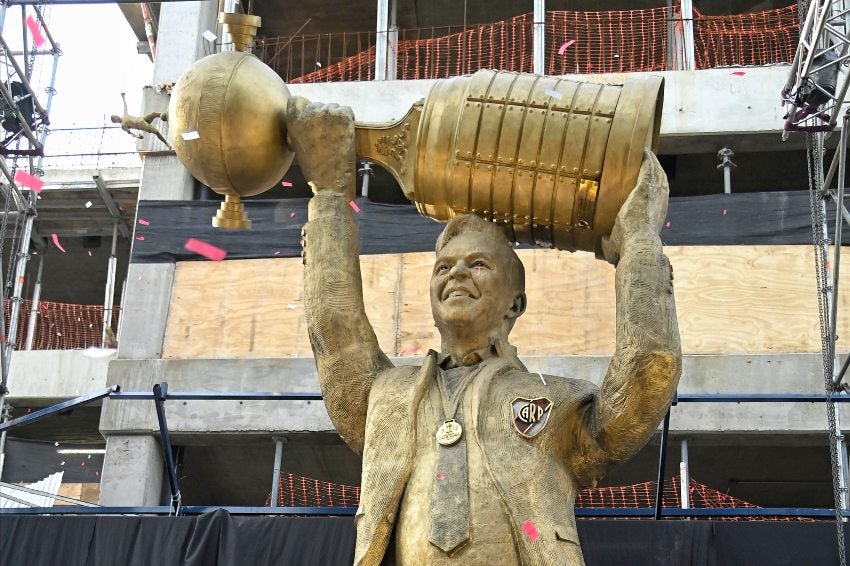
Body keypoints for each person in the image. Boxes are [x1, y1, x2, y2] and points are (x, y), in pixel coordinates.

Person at [288, 96, 681, 566]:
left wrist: (638, 244)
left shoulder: (557, 403)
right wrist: (330, 197)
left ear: (515, 302)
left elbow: (647, 372)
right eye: (444, 267)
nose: (456, 275)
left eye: (478, 265)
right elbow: (337, 337)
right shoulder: (386, 399)